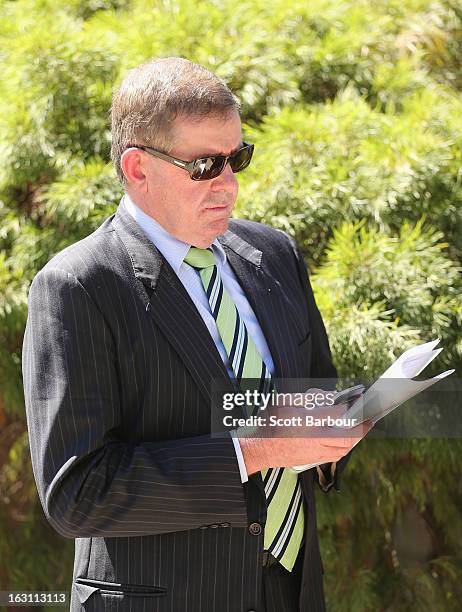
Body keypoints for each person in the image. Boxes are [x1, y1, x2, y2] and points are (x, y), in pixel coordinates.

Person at [22, 57, 370, 612]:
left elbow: (315, 395)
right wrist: (253, 450)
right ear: (137, 167)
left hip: (293, 592)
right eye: (207, 166)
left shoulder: (274, 254)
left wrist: (331, 438)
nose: (230, 187)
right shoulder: (78, 286)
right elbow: (77, 495)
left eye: (238, 159)